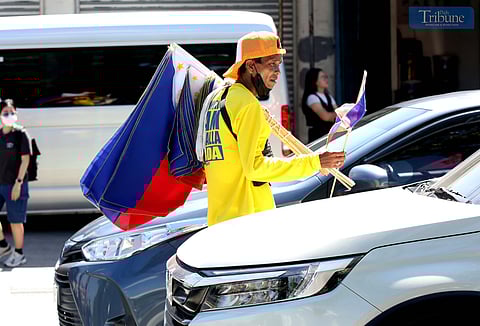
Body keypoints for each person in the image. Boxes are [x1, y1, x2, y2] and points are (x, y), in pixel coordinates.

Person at [200, 31, 345, 226]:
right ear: (251, 66)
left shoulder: (216, 100)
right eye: (271, 65)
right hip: (247, 223)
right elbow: (255, 168)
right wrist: (315, 162)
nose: (277, 73)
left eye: (278, 65)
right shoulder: (247, 105)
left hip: (220, 220)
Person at [0, 99, 31, 267]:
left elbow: (25, 160)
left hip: (15, 185)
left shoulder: (20, 134)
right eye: (6, 113)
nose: (10, 115)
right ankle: (3, 245)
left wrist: (18, 183)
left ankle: (19, 254)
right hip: (1, 183)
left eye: (12, 112)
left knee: (15, 220)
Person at [302, 68, 338, 143]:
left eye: (326, 77)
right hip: (317, 136)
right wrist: (339, 113)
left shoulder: (328, 96)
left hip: (329, 135)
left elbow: (337, 111)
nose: (326, 79)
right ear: (315, 81)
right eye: (322, 77)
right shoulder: (312, 97)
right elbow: (326, 116)